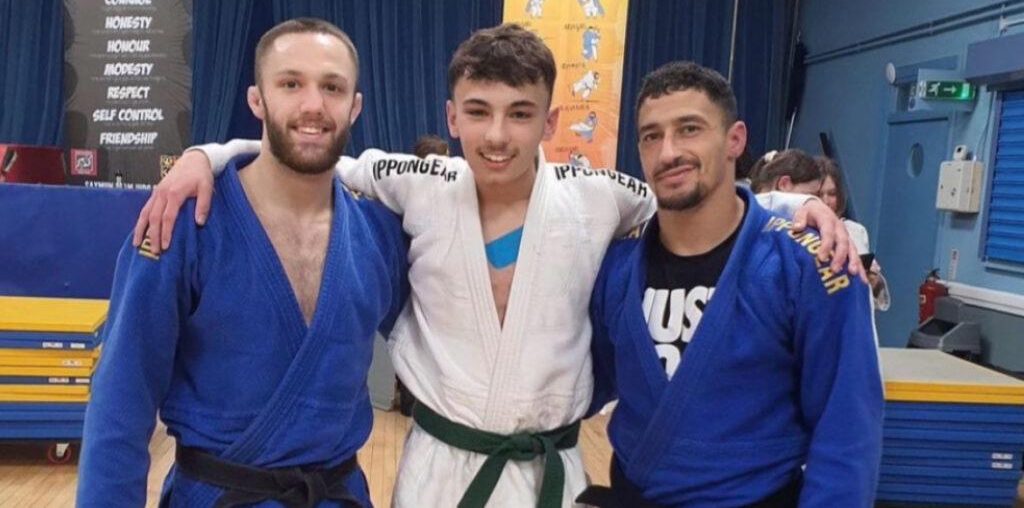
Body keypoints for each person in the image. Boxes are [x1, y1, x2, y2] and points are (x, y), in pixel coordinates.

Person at [133, 25, 859, 507]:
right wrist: (206, 155)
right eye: (477, 112)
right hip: (438, 469)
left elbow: (693, 199)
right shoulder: (413, 182)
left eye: (520, 113)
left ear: (550, 121)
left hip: (550, 471)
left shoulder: (601, 197)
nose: (497, 135)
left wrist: (791, 205)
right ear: (451, 117)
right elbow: (307, 152)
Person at [76, 19, 409, 508]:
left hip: (337, 496)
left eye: (332, 87)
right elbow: (120, 400)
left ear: (354, 106)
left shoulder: (379, 233)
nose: (313, 105)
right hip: (218, 496)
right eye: (290, 84)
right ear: (257, 100)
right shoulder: (182, 224)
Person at [578, 62, 883, 507]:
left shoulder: (813, 266)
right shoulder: (616, 267)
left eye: (689, 129)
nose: (668, 152)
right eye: (651, 136)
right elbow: (582, 386)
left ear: (734, 140)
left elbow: (846, 434)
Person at [818, 156, 890, 311]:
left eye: (831, 193)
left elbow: (877, 302)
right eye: (819, 194)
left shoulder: (856, 231)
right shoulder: (800, 233)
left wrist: (873, 278)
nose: (826, 201)